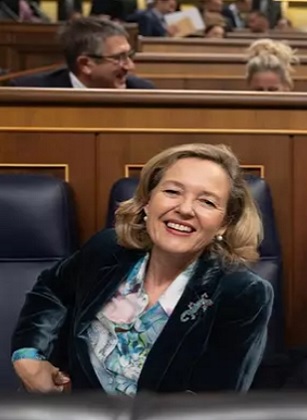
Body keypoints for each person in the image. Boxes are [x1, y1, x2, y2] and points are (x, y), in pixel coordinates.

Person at [11, 143, 273, 395]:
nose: (184, 209)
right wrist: (29, 355)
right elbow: (52, 289)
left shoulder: (242, 293)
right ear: (148, 201)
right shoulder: (106, 250)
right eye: (172, 191)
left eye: (206, 202)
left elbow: (212, 405)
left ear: (224, 223)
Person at [8, 17, 154, 89]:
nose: (130, 66)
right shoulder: (30, 93)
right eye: (119, 58)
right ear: (85, 64)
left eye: (129, 56)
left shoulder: (143, 91)